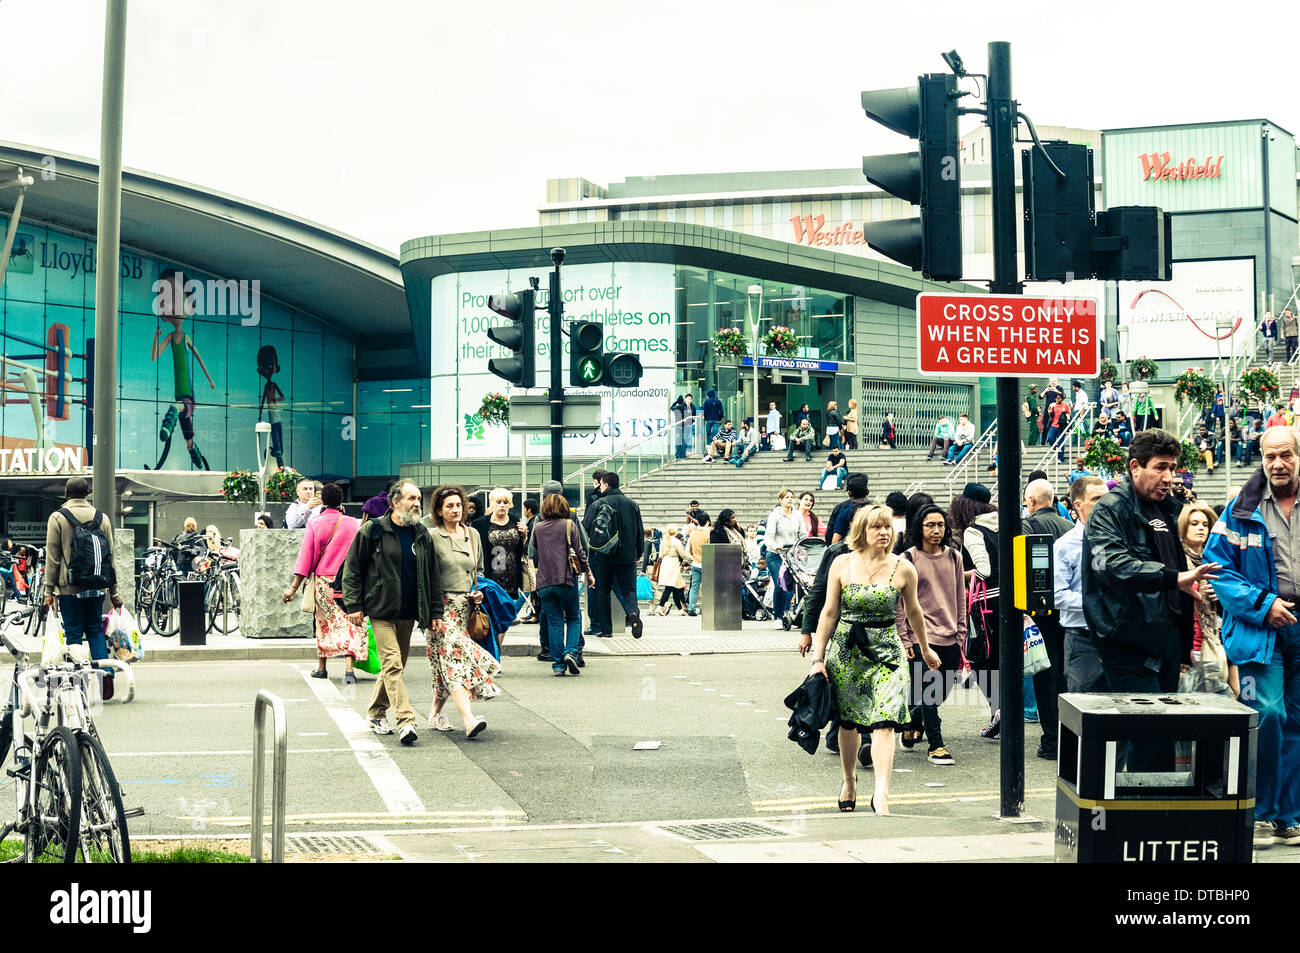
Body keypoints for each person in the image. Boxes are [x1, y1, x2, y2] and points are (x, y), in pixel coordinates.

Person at [1082, 429, 1219, 772]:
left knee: (1161, 734)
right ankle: (1140, 818)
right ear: (1134, 467)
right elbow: (1112, 565)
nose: (1169, 477)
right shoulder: (1111, 510)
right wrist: (1174, 578)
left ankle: (1152, 815)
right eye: (1160, 467)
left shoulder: (1171, 510)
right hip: (1127, 641)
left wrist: (1185, 598)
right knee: (1150, 735)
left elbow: (1177, 573)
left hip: (1168, 641)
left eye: (1173, 468)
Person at [810, 505, 941, 813]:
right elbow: (829, 612)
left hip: (888, 652)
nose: (884, 533)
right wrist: (817, 657)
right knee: (849, 723)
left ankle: (882, 792)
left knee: (885, 722)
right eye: (876, 528)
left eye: (888, 527)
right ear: (862, 532)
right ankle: (850, 779)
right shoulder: (842, 564)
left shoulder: (903, 567)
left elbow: (913, 612)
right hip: (847, 650)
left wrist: (925, 647)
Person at [1205, 427, 1300, 848]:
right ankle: (1261, 810)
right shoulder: (1240, 509)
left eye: (1286, 455)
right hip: (1261, 626)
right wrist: (1263, 605)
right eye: (1270, 456)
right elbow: (1218, 568)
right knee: (1269, 717)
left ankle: (1290, 815)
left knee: (1297, 721)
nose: (1278, 464)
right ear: (1260, 457)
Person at [341, 480, 438, 746]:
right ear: (395, 502)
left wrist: (435, 612)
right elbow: (353, 569)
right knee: (393, 664)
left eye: (418, 498)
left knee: (395, 667)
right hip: (380, 609)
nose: (417, 503)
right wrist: (354, 606)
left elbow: (432, 576)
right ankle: (406, 721)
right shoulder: (373, 530)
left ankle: (375, 713)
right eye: (411, 498)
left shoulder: (421, 533)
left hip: (408, 612)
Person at [424, 485, 500, 737]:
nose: (456, 510)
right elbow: (426, 576)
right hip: (441, 609)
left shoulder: (472, 534)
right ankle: (468, 719)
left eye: (459, 505)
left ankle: (434, 713)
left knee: (446, 665)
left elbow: (478, 571)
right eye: (450, 506)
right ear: (439, 510)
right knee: (454, 660)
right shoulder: (432, 537)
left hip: (466, 607)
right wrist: (432, 613)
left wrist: (478, 591)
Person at [897, 504, 965, 766]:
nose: (936, 530)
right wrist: (905, 638)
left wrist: (960, 632)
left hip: (950, 636)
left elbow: (960, 595)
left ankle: (912, 720)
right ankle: (936, 746)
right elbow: (901, 603)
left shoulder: (954, 557)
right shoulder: (908, 559)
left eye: (940, 525)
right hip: (921, 638)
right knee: (928, 692)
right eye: (930, 525)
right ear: (920, 528)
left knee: (940, 693)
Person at [284, 482, 363, 683]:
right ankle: (349, 669)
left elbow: (305, 558)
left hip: (323, 583)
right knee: (348, 622)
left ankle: (321, 667)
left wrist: (292, 589)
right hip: (348, 581)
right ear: (341, 501)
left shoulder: (315, 523)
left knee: (324, 623)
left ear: (323, 501)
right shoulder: (353, 523)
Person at [42, 477, 123, 661]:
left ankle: (78, 679)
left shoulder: (57, 517)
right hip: (97, 587)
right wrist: (114, 592)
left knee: (73, 634)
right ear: (88, 494)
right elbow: (110, 558)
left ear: (66, 493)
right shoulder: (103, 518)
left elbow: (53, 558)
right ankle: (106, 673)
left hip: (70, 589)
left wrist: (48, 591)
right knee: (95, 631)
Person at [1023, 478, 1076, 760]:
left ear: (1031, 501)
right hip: (1069, 612)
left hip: (1039, 611)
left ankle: (1051, 739)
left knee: (1045, 674)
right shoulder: (1070, 527)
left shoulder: (1028, 526)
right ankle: (1067, 735)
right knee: (1064, 674)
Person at [951, 484, 1001, 738]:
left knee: (981, 658)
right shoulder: (1003, 524)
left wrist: (957, 574)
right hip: (1010, 601)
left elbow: (984, 570)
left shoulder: (973, 530)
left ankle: (998, 710)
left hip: (986, 604)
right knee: (1002, 660)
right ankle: (1003, 711)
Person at [1055, 475, 1109, 696]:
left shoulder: (1115, 540)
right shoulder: (1065, 545)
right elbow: (1057, 595)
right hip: (1082, 638)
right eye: (1097, 499)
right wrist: (1095, 602)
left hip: (1117, 638)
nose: (1105, 504)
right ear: (1078, 505)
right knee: (1083, 706)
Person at [1179, 501, 1237, 698]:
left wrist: (1221, 594)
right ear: (1183, 526)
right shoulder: (1177, 559)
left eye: (1205, 524)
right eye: (1194, 523)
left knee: (1222, 701)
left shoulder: (1214, 562)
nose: (1201, 528)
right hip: (1188, 645)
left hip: (1213, 643)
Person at [532, 492, 592, 676]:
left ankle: (558, 665)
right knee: (574, 616)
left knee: (554, 621)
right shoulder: (569, 525)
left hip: (544, 581)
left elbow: (534, 551)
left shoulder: (538, 528)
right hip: (565, 579)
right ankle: (571, 652)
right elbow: (580, 552)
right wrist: (588, 572)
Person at [586, 471, 646, 638]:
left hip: (603, 555)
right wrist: (638, 551)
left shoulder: (598, 503)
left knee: (602, 590)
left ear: (605, 485)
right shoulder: (632, 504)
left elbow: (586, 526)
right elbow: (639, 531)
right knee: (628, 589)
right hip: (627, 555)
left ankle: (606, 630)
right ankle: (632, 613)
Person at [473, 487, 529, 615]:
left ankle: (500, 635)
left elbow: (520, 548)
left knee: (505, 617)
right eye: (498, 502)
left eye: (506, 502)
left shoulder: (515, 519)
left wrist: (524, 535)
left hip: (512, 576)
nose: (502, 505)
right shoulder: (480, 524)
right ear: (492, 503)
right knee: (491, 614)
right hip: (490, 576)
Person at [764, 488, 805, 628]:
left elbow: (803, 534)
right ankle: (777, 616)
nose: (790, 499)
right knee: (780, 583)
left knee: (791, 586)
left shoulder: (797, 515)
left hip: (791, 554)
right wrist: (775, 545)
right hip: (775, 555)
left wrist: (803, 546)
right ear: (780, 500)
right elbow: (768, 536)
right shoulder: (775, 515)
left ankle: (787, 616)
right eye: (786, 497)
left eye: (791, 497)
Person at [652, 525, 689, 616]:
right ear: (675, 532)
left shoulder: (664, 541)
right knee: (669, 587)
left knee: (675, 586)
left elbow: (660, 555)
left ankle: (680, 610)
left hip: (665, 563)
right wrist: (692, 558)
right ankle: (660, 607)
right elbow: (682, 554)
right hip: (673, 564)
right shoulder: (676, 542)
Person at [686, 514, 711, 616]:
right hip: (707, 564)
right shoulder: (709, 534)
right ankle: (706, 608)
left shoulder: (693, 534)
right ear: (707, 522)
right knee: (707, 587)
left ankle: (691, 608)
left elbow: (689, 550)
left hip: (695, 563)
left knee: (694, 587)